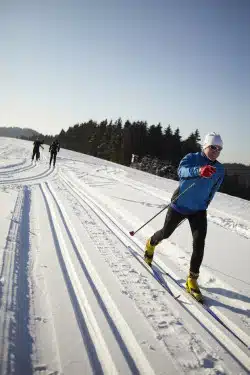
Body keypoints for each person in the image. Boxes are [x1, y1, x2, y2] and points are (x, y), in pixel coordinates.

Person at [144, 132, 225, 302]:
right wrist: (200, 170)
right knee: (166, 233)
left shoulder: (220, 169)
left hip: (199, 210)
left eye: (219, 149)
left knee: (199, 243)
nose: (216, 151)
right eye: (213, 147)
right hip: (179, 205)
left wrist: (205, 204)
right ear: (205, 146)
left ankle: (192, 279)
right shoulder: (191, 157)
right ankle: (151, 243)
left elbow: (213, 189)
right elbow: (181, 172)